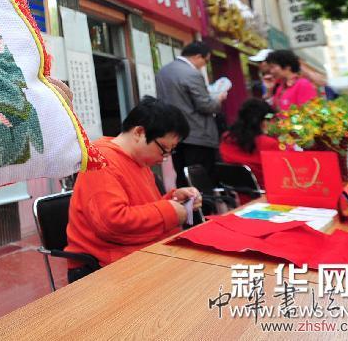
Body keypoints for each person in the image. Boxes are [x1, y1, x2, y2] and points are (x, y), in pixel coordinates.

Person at [64, 97, 201, 283]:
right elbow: (112, 223)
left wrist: (174, 199)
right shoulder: (101, 160)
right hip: (102, 267)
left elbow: (144, 206)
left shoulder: (140, 161)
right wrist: (170, 211)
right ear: (139, 132)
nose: (165, 158)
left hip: (134, 255)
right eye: (164, 150)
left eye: (170, 152)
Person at [155, 41, 226, 188]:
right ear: (198, 56)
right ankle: (204, 210)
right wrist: (218, 100)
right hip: (198, 135)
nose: (204, 65)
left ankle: (186, 210)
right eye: (205, 61)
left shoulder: (163, 72)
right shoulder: (192, 73)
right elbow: (206, 105)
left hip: (174, 136)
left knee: (182, 178)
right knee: (201, 181)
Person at [219, 98, 281, 187]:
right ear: (263, 122)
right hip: (264, 194)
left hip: (234, 194)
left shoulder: (227, 138)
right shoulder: (269, 144)